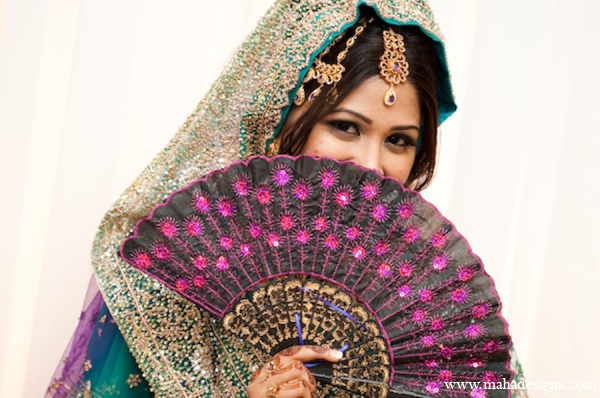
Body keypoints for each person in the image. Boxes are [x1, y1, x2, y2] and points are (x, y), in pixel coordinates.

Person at [47, 0, 528, 397]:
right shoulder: (170, 280)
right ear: (276, 119)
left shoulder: (435, 305)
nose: (371, 163)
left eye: (399, 140)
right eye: (345, 127)